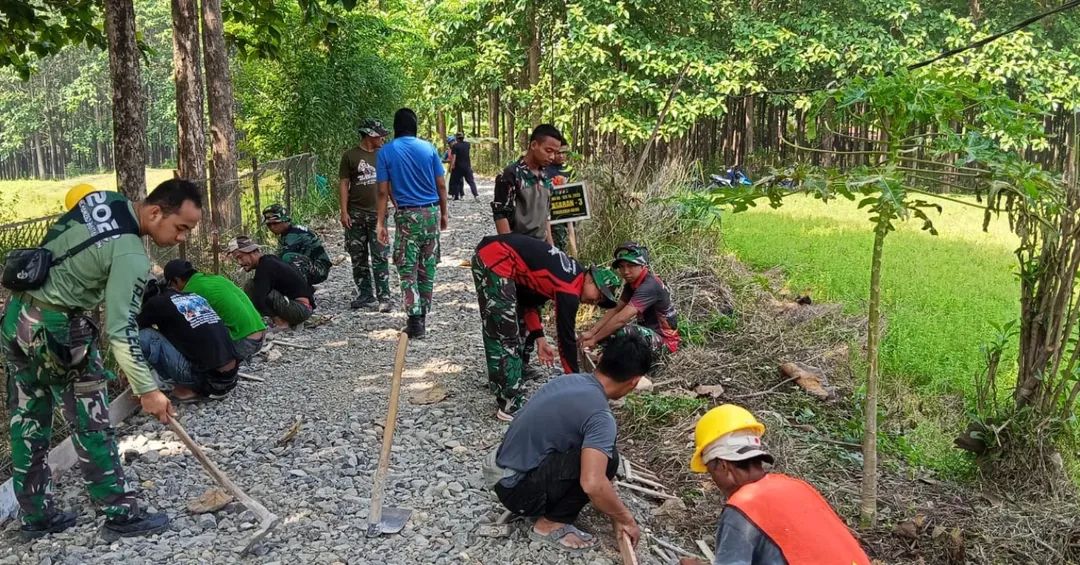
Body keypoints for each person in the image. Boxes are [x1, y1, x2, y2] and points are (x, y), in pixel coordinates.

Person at [1, 179, 203, 539]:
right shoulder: (131, 256)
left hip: (18, 316)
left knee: (27, 419)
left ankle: (36, 516)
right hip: (58, 331)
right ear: (156, 212)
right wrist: (148, 390)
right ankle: (120, 513)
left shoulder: (104, 201)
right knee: (91, 419)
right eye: (181, 227)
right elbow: (120, 329)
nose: (181, 238)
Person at [482, 333, 652, 553]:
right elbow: (592, 483)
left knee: (598, 453)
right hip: (517, 492)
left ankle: (541, 501)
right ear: (634, 381)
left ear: (601, 359)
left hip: (501, 473)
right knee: (608, 460)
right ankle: (550, 525)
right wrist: (625, 518)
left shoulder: (570, 380)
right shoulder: (600, 416)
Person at [679, 405, 871, 565]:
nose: (714, 481)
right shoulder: (798, 488)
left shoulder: (743, 507)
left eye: (711, 472)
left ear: (723, 465)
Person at [471, 233, 622, 420]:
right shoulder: (569, 287)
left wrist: (540, 339)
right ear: (591, 280)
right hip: (495, 258)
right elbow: (565, 339)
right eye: (598, 296)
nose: (594, 302)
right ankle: (508, 402)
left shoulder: (568, 274)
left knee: (517, 323)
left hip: (502, 259)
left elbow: (528, 302)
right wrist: (574, 382)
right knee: (503, 332)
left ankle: (514, 373)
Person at [375, 108, 449, 338]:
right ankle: (423, 315)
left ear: (395, 127)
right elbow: (441, 184)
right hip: (431, 213)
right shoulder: (429, 148)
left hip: (407, 216)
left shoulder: (386, 152)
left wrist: (380, 223)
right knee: (427, 267)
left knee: (407, 268)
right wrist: (444, 213)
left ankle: (414, 320)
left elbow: (382, 191)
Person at [137, 280, 239, 402]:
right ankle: (195, 385)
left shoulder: (156, 303)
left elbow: (133, 327)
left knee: (143, 335)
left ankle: (185, 388)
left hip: (208, 382)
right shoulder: (193, 296)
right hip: (230, 378)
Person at [580, 242, 680, 359]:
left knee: (625, 331)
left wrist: (595, 339)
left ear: (642, 265)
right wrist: (592, 332)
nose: (626, 271)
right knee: (610, 331)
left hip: (665, 343)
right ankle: (604, 356)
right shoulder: (631, 285)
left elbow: (621, 319)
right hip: (648, 334)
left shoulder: (649, 286)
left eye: (631, 266)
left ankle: (609, 360)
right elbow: (615, 310)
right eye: (622, 266)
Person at [162, 259, 267, 362]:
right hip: (260, 336)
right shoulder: (215, 279)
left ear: (176, 280)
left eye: (170, 286)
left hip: (244, 343)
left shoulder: (190, 291)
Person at [339, 118, 394, 312]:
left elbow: (390, 184)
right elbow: (344, 184)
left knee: (380, 255)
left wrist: (398, 206)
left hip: (378, 215)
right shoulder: (350, 156)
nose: (383, 139)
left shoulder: (384, 155)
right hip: (355, 214)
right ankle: (365, 295)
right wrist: (344, 211)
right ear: (370, 135)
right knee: (358, 256)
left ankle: (384, 296)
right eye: (380, 135)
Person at [492, 124, 565, 245]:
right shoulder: (511, 174)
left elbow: (546, 216)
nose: (552, 157)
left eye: (555, 152)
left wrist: (551, 248)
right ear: (534, 145)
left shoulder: (546, 177)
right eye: (548, 151)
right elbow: (500, 215)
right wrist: (510, 249)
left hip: (541, 246)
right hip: (519, 246)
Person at [227, 235, 315, 329]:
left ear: (252, 252)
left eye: (240, 257)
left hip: (300, 310)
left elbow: (259, 299)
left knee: (253, 288)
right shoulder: (270, 260)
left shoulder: (265, 266)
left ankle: (280, 323)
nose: (240, 262)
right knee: (257, 287)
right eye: (237, 259)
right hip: (303, 309)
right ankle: (283, 321)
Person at [261, 203, 332, 286]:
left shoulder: (294, 234)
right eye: (269, 225)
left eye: (276, 223)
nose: (272, 227)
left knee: (287, 259)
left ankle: (303, 290)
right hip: (312, 266)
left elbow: (282, 262)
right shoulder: (288, 233)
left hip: (320, 269)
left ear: (285, 221)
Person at [544, 142, 572, 251]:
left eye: (564, 153)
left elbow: (575, 191)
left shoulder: (570, 170)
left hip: (562, 214)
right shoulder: (544, 168)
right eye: (558, 153)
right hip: (545, 213)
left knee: (560, 245)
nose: (561, 156)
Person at [448, 132, 478, 201]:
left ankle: (455, 196)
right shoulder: (467, 144)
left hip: (458, 167)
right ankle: (476, 195)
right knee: (471, 182)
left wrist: (452, 166)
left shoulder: (455, 146)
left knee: (455, 182)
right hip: (467, 166)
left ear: (456, 138)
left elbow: (454, 157)